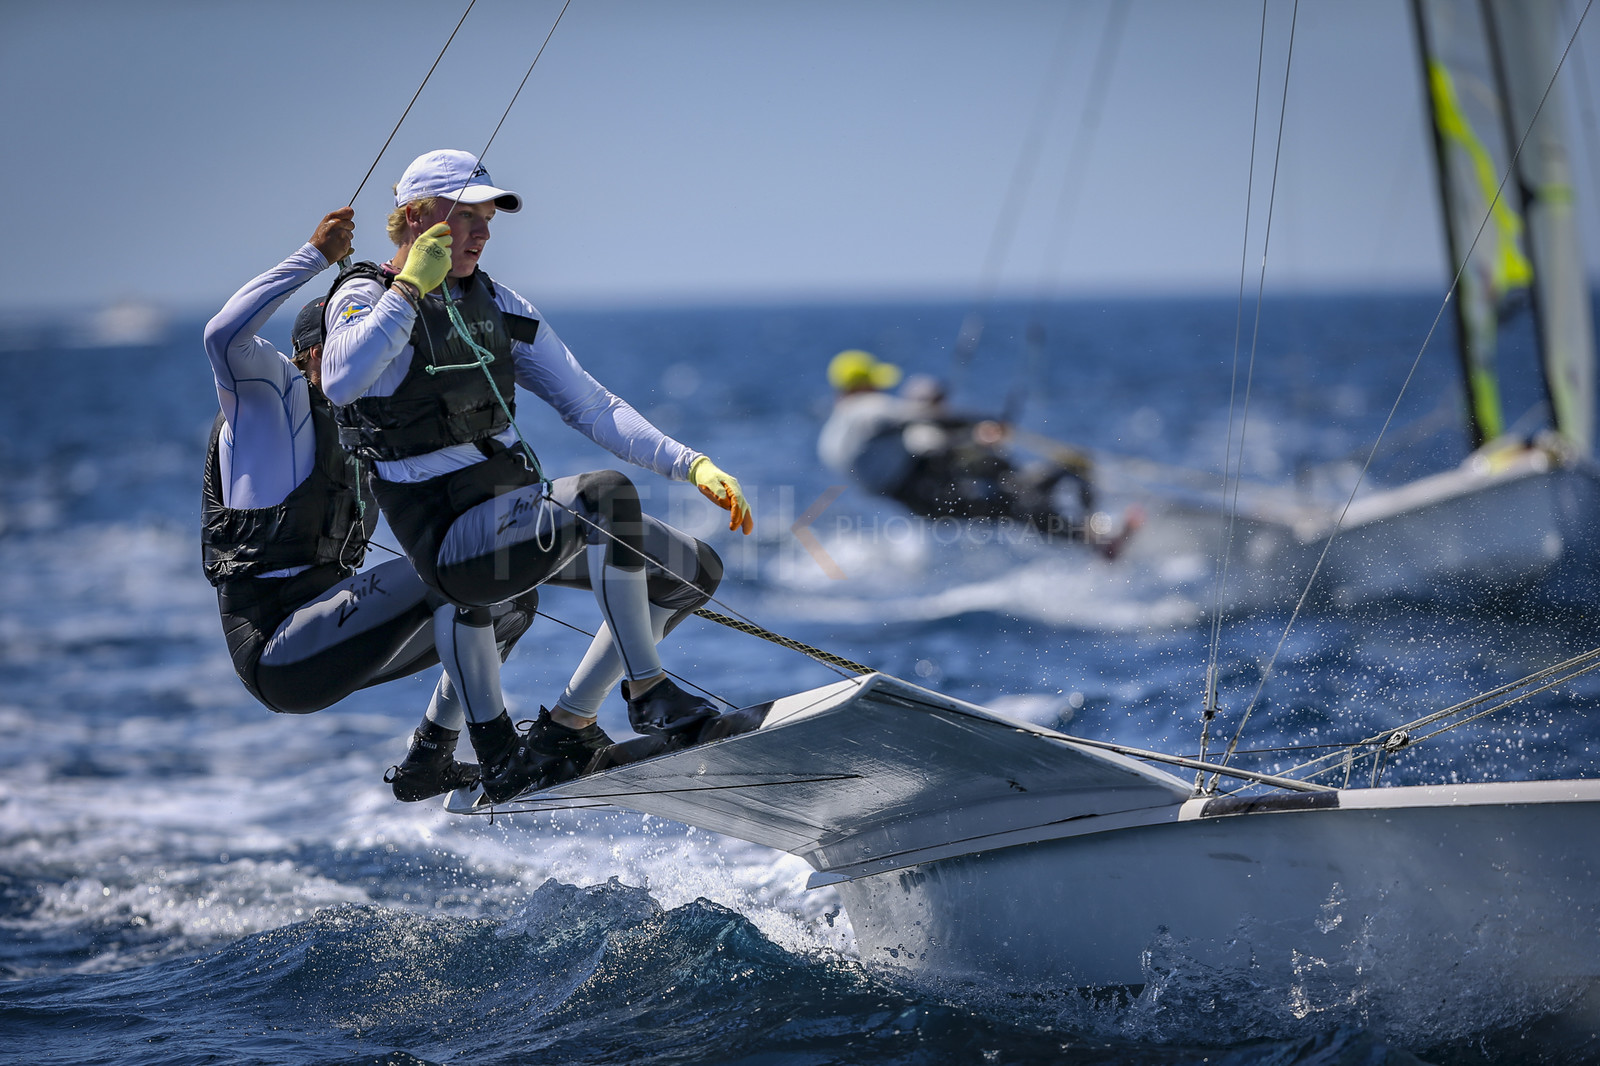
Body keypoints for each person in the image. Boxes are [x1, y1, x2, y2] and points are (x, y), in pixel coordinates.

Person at [321, 149, 752, 804]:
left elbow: (591, 404)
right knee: (604, 498)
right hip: (449, 543)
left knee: (695, 570)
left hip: (510, 518)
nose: (482, 231)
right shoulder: (365, 296)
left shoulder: (497, 301)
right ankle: (649, 691)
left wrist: (689, 462)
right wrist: (411, 286)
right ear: (413, 216)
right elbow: (341, 378)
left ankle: (568, 727)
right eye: (465, 215)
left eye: (487, 217)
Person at [201, 209, 539, 803]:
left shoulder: (372, 430)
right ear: (311, 355)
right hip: (278, 647)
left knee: (508, 591)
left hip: (335, 633)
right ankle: (502, 752)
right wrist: (314, 255)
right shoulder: (267, 407)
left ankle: (430, 758)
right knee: (455, 577)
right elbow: (222, 336)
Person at [818, 350, 1133, 553]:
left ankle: (1091, 528)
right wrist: (983, 423)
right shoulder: (866, 409)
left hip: (916, 499)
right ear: (860, 386)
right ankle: (1097, 537)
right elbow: (923, 418)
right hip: (925, 491)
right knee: (1012, 501)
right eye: (874, 384)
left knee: (1008, 494)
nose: (880, 390)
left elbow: (916, 433)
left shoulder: (834, 433)